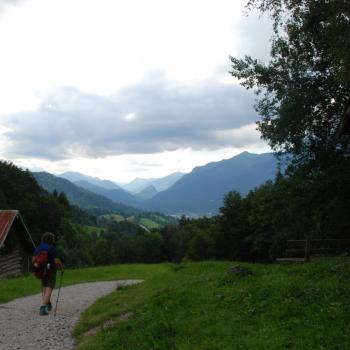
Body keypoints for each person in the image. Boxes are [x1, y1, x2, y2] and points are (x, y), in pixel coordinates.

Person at [33, 232, 64, 316]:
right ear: (51, 240)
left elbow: (33, 260)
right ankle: (43, 308)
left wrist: (37, 267)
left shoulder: (38, 248)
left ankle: (48, 303)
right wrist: (61, 268)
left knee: (45, 286)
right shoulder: (52, 248)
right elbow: (56, 261)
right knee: (49, 287)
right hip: (51, 270)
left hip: (41, 270)